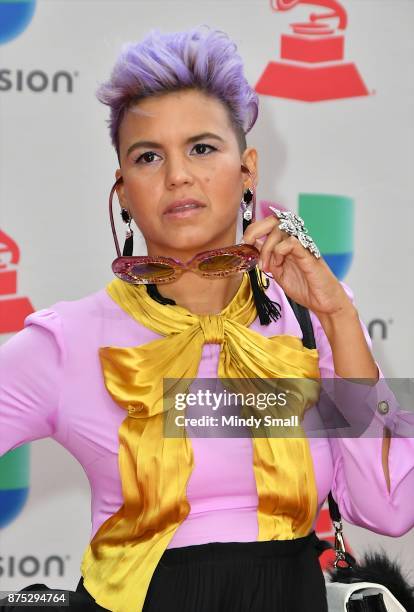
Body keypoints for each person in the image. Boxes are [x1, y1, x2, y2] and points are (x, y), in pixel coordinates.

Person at [1, 25, 414, 612]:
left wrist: (339, 315)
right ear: (122, 190)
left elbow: (390, 507)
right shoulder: (69, 340)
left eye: (202, 148)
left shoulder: (312, 317)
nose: (178, 176)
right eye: (148, 156)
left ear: (247, 168)